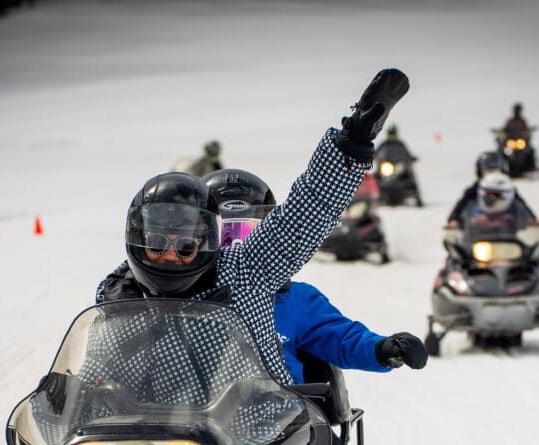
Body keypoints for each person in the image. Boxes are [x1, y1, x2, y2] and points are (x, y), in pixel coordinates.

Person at [95, 67, 410, 384]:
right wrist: (60, 401)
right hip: (159, 431)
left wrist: (352, 144)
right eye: (158, 244)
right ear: (137, 241)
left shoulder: (246, 271)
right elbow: (97, 375)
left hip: (257, 426)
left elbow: (309, 210)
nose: (171, 255)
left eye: (186, 247)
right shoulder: (119, 297)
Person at [203, 167, 428, 445]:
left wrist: (383, 348)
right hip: (198, 424)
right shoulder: (183, 298)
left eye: (247, 232)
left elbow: (340, 336)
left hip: (280, 417)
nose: (236, 247)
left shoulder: (297, 300)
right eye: (225, 233)